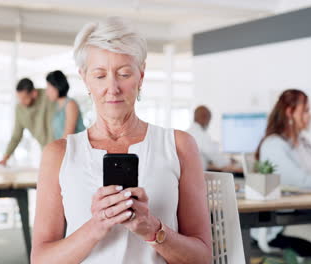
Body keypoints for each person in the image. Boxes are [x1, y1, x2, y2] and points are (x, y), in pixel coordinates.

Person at [31, 17, 212, 264]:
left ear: (141, 75)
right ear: (84, 78)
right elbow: (41, 260)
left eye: (124, 73)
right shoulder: (58, 154)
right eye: (100, 75)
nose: (112, 87)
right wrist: (96, 227)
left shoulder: (179, 145)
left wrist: (152, 229)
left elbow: (202, 258)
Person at [253, 89, 311, 257]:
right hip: (285, 225)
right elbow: (301, 182)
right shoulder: (274, 145)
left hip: (309, 215)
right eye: (305, 111)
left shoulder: (303, 143)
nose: (309, 116)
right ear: (290, 112)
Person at [0, 78, 56, 166]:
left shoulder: (49, 96)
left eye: (24, 98)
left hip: (59, 146)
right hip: (46, 151)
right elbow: (16, 136)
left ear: (34, 93)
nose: (21, 102)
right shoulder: (19, 109)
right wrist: (5, 158)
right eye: (19, 98)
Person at [187, 105, 234, 170]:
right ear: (205, 118)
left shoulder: (187, 132)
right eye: (209, 120)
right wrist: (229, 161)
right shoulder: (201, 135)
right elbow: (215, 156)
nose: (208, 123)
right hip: (197, 175)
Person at [45, 70, 85, 139]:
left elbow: (68, 135)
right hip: (64, 147)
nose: (46, 91)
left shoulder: (70, 104)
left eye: (49, 87)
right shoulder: (57, 106)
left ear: (57, 86)